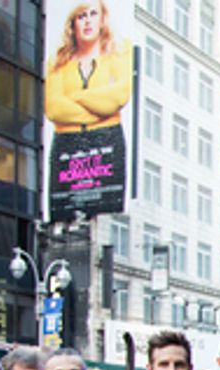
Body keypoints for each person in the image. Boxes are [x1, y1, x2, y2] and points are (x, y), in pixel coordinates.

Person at [44, 0, 132, 214]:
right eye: (81, 16)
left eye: (93, 14)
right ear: (72, 23)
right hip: (66, 146)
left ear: (102, 19)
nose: (87, 21)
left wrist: (73, 96)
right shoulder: (57, 62)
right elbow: (54, 108)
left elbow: (119, 96)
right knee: (62, 215)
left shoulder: (119, 53)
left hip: (107, 143)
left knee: (107, 214)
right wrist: (100, 110)